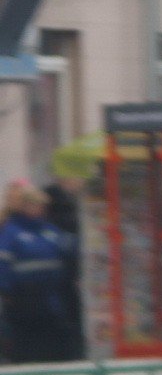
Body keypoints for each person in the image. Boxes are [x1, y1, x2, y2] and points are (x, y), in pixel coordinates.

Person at [0, 181, 77, 364]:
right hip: (23, 298)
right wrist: (5, 289)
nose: (40, 209)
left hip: (50, 297)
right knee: (26, 341)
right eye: (35, 205)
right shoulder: (12, 231)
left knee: (52, 337)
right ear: (24, 206)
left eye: (42, 206)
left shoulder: (48, 230)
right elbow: (4, 263)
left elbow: (66, 248)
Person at [43, 152, 90, 359]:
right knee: (69, 320)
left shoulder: (56, 207)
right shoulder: (65, 210)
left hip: (62, 277)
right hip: (65, 278)